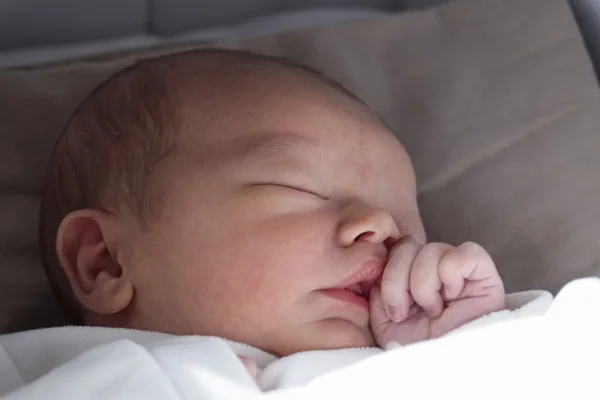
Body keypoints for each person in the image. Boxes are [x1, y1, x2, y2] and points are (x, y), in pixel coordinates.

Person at [0, 49, 559, 397]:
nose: (382, 226)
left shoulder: (400, 365)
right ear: (106, 261)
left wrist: (469, 341)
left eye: (407, 219)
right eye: (298, 186)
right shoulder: (38, 371)